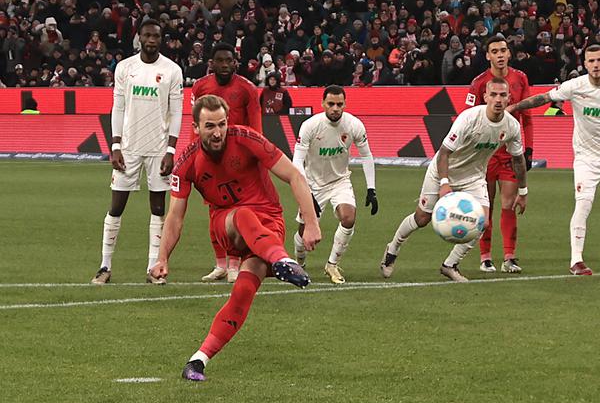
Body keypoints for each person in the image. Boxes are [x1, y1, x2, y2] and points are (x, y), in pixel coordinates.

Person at [149, 94, 321, 381]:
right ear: (195, 127)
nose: (217, 132)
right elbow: (175, 216)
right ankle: (283, 261)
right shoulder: (186, 163)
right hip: (227, 224)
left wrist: (312, 223)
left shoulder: (247, 139)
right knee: (242, 215)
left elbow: (294, 175)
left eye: (222, 124)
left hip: (269, 225)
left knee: (243, 291)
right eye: (209, 126)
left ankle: (197, 361)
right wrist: (162, 258)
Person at [507, 44, 600, 275]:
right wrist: (515, 106)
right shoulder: (574, 87)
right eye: (591, 61)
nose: (595, 65)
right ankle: (576, 260)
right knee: (584, 204)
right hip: (586, 158)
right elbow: (544, 98)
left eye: (599, 60)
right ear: (585, 64)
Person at [380, 78, 528, 282]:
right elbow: (443, 153)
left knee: (482, 222)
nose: (498, 99)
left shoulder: (511, 126)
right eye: (493, 94)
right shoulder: (469, 118)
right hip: (443, 171)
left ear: (509, 98)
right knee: (422, 218)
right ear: (485, 97)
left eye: (503, 95)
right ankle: (393, 248)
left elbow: (518, 160)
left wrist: (523, 191)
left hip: (474, 177)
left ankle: (450, 265)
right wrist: (444, 183)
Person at [91, 19, 183, 285]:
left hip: (158, 150)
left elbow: (176, 111)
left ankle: (154, 267)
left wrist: (170, 149)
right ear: (139, 38)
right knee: (116, 206)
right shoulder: (125, 68)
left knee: (157, 208)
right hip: (129, 149)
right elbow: (117, 108)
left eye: (156, 36)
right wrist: (116, 145)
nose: (151, 40)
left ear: (161, 39)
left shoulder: (172, 70)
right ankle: (104, 266)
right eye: (147, 35)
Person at [191, 43, 262, 284]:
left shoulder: (247, 89)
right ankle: (220, 264)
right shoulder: (200, 87)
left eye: (228, 61)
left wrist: (255, 159)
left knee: (235, 213)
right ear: (211, 63)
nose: (224, 65)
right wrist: (193, 156)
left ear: (235, 63)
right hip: (209, 159)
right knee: (214, 212)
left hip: (238, 160)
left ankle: (235, 264)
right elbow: (196, 127)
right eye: (219, 61)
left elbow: (256, 128)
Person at [292, 85, 378, 284]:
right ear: (323, 104)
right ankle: (299, 262)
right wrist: (306, 191)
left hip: (340, 181)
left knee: (348, 218)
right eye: (331, 104)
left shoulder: (354, 125)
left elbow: (366, 155)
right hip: (313, 184)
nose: (335, 108)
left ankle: (332, 264)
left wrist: (371, 189)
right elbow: (297, 160)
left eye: (339, 104)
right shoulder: (310, 126)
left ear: (345, 104)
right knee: (304, 233)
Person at [464, 35, 533, 274]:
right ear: (488, 55)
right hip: (485, 155)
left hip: (510, 154)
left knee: (508, 205)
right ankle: (485, 257)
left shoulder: (521, 78)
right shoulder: (479, 82)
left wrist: (529, 149)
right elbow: (469, 120)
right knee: (487, 206)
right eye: (495, 51)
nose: (500, 55)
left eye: (504, 50)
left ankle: (509, 257)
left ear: (509, 53)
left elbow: (527, 117)